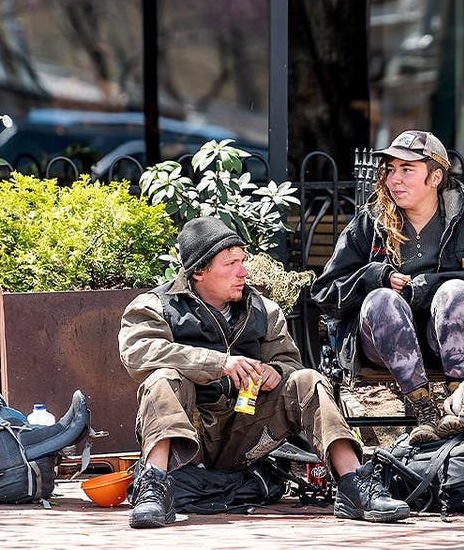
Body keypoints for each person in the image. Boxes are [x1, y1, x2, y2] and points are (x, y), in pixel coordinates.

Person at [118, 216, 410, 528]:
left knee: (307, 380)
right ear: (199, 271)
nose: (242, 272)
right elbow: (137, 352)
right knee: (162, 379)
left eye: (242, 261)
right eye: (230, 264)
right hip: (188, 439)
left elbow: (289, 362)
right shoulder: (155, 306)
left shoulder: (262, 309)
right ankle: (154, 487)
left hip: (245, 433)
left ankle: (354, 484)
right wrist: (218, 363)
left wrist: (276, 371)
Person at [311, 130, 464, 445]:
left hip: (452, 341)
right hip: (386, 346)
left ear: (435, 177)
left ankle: (459, 405)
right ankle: (422, 407)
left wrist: (436, 284)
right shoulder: (371, 222)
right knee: (381, 299)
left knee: (455, 291)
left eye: (406, 170)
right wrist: (374, 277)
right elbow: (326, 291)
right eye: (391, 170)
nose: (394, 179)